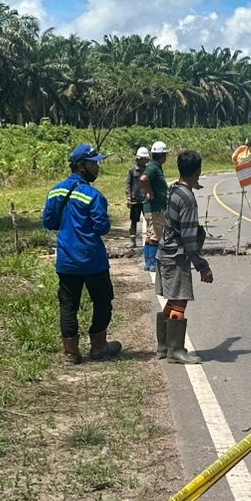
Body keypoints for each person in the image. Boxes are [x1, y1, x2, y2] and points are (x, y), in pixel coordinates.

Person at [43, 143, 123, 365]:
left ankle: (71, 353)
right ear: (81, 166)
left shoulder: (55, 191)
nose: (97, 167)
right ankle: (98, 346)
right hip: (92, 259)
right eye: (93, 163)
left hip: (67, 259)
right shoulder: (93, 195)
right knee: (103, 300)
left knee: (68, 304)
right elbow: (102, 227)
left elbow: (49, 222)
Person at [156, 149, 213, 363]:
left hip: (165, 252)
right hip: (177, 256)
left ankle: (163, 347)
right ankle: (176, 351)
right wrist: (202, 266)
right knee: (179, 301)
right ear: (198, 171)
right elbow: (189, 239)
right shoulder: (188, 199)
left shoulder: (174, 189)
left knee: (172, 299)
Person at [141, 140, 169, 272]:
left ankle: (148, 262)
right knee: (155, 236)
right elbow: (143, 179)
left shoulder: (156, 166)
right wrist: (150, 192)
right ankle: (153, 264)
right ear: (162, 156)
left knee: (149, 235)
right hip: (155, 208)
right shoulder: (153, 167)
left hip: (152, 208)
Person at [125, 146, 150, 242]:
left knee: (148, 220)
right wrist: (128, 197)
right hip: (135, 200)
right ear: (138, 159)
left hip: (146, 199)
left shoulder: (148, 170)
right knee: (134, 221)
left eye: (145, 159)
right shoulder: (132, 171)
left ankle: (149, 240)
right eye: (142, 159)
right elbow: (128, 184)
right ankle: (132, 241)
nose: (144, 161)